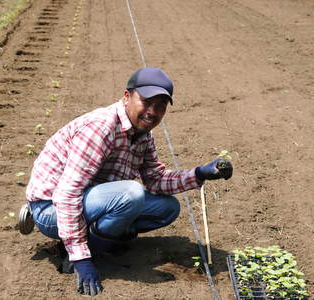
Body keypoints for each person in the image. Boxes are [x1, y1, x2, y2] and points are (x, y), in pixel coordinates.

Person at [20, 67, 233, 296]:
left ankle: (101, 236)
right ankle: (79, 249)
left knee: (167, 208)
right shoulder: (100, 128)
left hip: (91, 199)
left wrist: (200, 173)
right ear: (126, 97)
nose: (152, 111)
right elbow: (67, 194)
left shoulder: (143, 135)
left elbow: (156, 180)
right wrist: (81, 258)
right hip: (52, 207)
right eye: (146, 102)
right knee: (130, 194)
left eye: (160, 105)